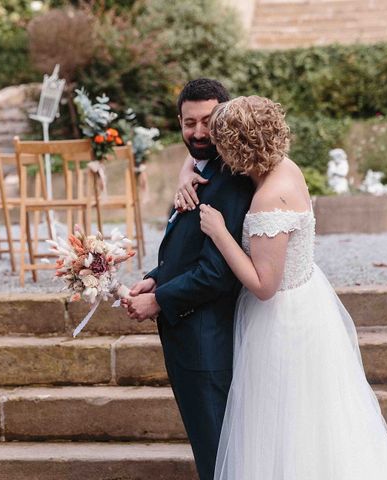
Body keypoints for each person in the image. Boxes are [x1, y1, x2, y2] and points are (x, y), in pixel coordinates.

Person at [190, 95, 387, 479]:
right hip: (309, 303)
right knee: (314, 419)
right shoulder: (286, 168)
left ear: (238, 147)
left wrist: (218, 233)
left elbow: (264, 284)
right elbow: (195, 159)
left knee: (290, 424)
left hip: (283, 320)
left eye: (223, 144)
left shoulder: (268, 199)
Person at [121, 78, 254, 480]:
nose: (198, 133)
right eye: (188, 122)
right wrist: (154, 278)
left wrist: (159, 301)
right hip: (190, 337)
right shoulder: (199, 171)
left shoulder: (229, 182)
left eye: (208, 122)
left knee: (218, 458)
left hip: (206, 342)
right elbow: (191, 251)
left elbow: (218, 272)